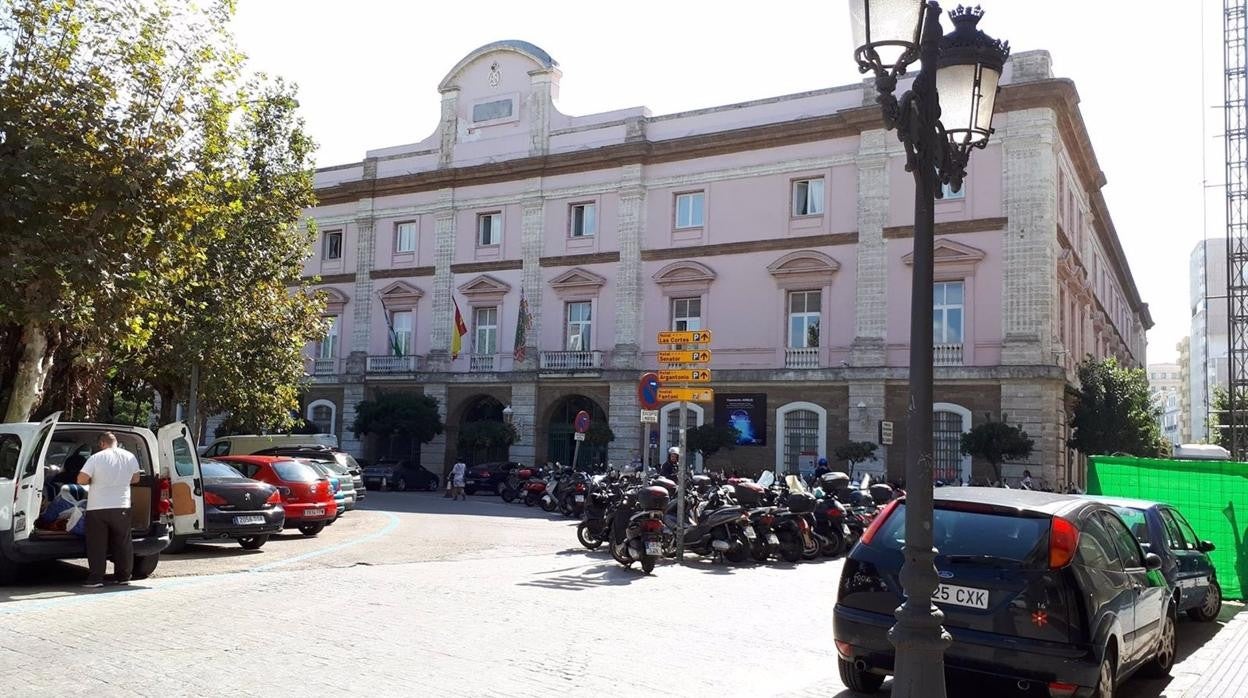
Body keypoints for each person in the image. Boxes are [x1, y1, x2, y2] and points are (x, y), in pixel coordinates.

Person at [75, 432, 140, 588]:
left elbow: (81, 479)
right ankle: (123, 576)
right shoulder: (129, 456)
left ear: (102, 443)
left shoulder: (96, 458)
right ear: (115, 442)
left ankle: (96, 578)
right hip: (122, 505)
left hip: (98, 507)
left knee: (97, 543)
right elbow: (136, 479)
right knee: (123, 542)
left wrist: (93, 481)